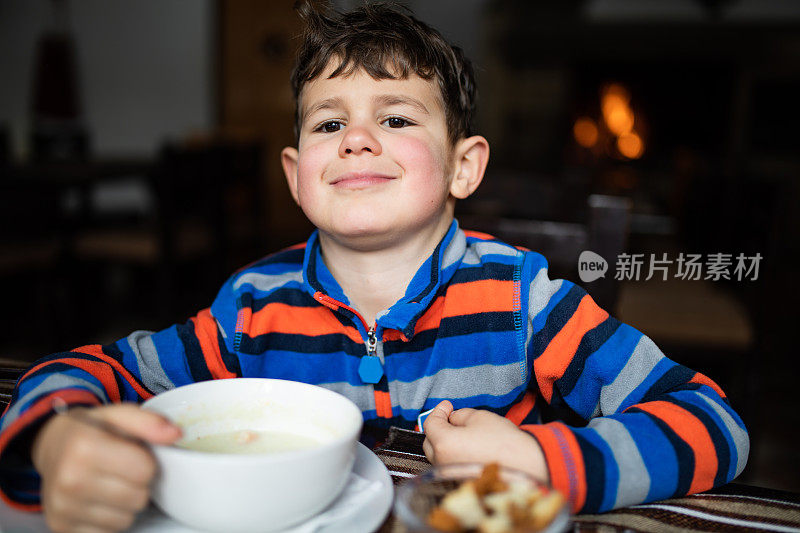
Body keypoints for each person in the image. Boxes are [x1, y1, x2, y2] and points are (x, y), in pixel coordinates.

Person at [0, 2, 749, 532]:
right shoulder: (251, 309)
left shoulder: (525, 303)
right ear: (296, 176)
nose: (357, 139)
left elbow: (712, 421)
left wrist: (543, 457)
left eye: (395, 117)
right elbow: (89, 371)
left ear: (465, 166)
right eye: (331, 122)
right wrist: (55, 439)